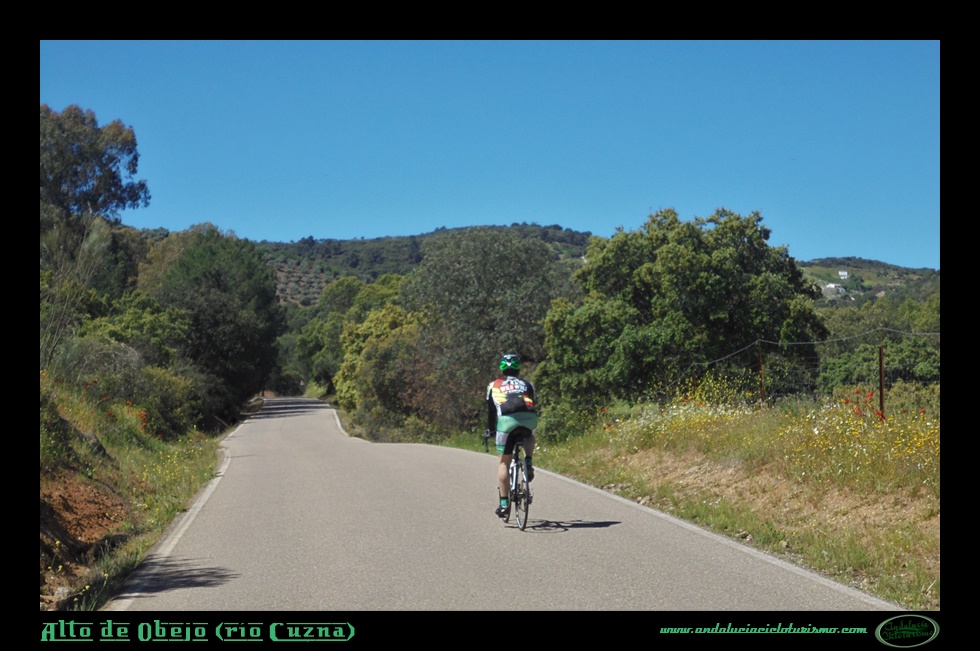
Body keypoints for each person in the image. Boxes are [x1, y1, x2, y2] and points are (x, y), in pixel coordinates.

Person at [485, 353, 537, 519]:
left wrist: (491, 431)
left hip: (506, 423)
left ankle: (504, 505)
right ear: (519, 370)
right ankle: (528, 460)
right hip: (529, 420)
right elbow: (532, 405)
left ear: (501, 370)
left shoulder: (494, 385)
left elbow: (491, 413)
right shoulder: (528, 384)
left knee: (503, 463)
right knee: (529, 434)